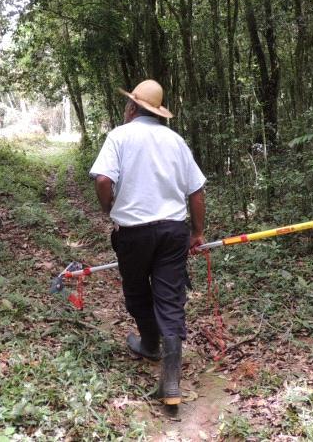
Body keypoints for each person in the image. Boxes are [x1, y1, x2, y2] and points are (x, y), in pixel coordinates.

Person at [89, 79, 206, 406]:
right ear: (158, 113)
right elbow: (196, 191)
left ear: (131, 108)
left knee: (138, 290)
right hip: (173, 231)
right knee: (170, 298)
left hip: (133, 233)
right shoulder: (175, 140)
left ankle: (150, 343)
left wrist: (108, 207)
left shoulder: (119, 136)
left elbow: (102, 179)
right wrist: (197, 233)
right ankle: (171, 383)